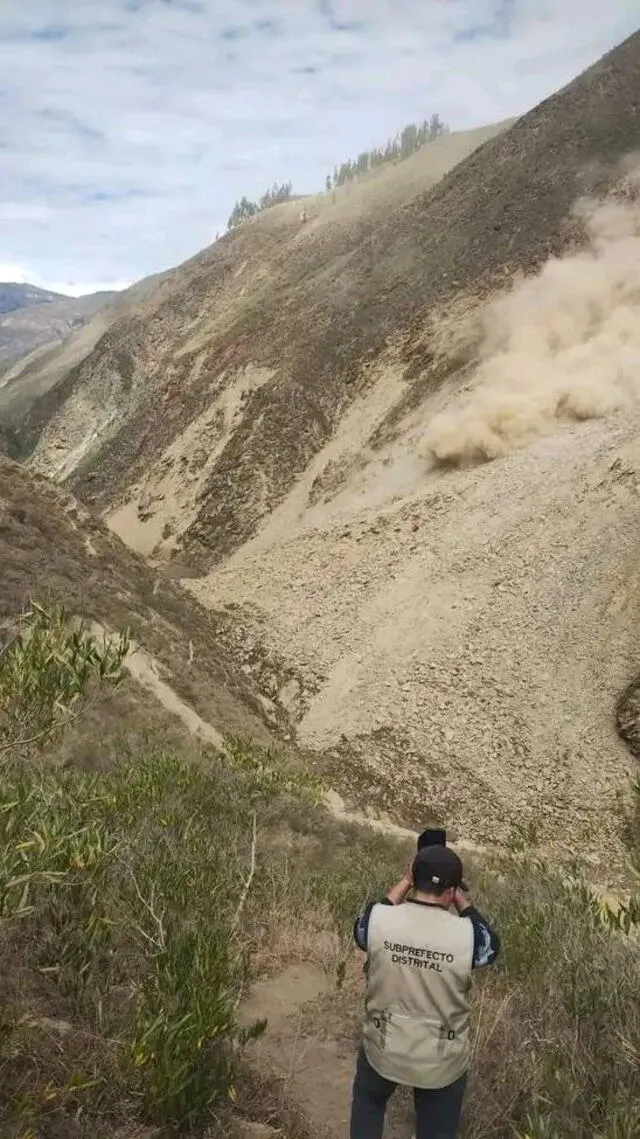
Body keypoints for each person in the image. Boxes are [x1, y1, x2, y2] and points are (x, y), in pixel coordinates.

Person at [350, 844, 500, 1139]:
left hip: (383, 1047)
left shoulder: (379, 921)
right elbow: (491, 945)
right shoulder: (468, 936)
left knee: (368, 1103)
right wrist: (461, 900)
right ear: (452, 890)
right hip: (440, 1058)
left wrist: (404, 882)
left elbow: (363, 927)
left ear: (412, 878)